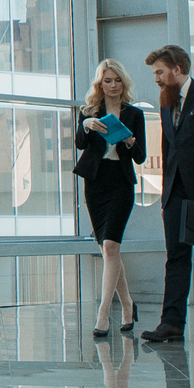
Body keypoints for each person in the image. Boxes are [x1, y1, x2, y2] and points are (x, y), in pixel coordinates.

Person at [139, 44, 194, 345]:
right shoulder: (165, 103)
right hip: (175, 193)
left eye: (160, 72)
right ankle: (172, 323)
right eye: (155, 74)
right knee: (176, 258)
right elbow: (168, 150)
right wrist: (166, 195)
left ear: (177, 70)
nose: (157, 79)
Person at [74, 58, 147, 338]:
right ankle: (128, 305)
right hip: (96, 183)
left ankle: (104, 312)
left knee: (112, 247)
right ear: (100, 84)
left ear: (123, 82)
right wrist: (87, 125)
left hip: (120, 182)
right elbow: (80, 144)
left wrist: (130, 141)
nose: (114, 85)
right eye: (108, 81)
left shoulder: (134, 114)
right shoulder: (89, 112)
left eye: (117, 80)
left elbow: (140, 156)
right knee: (108, 250)